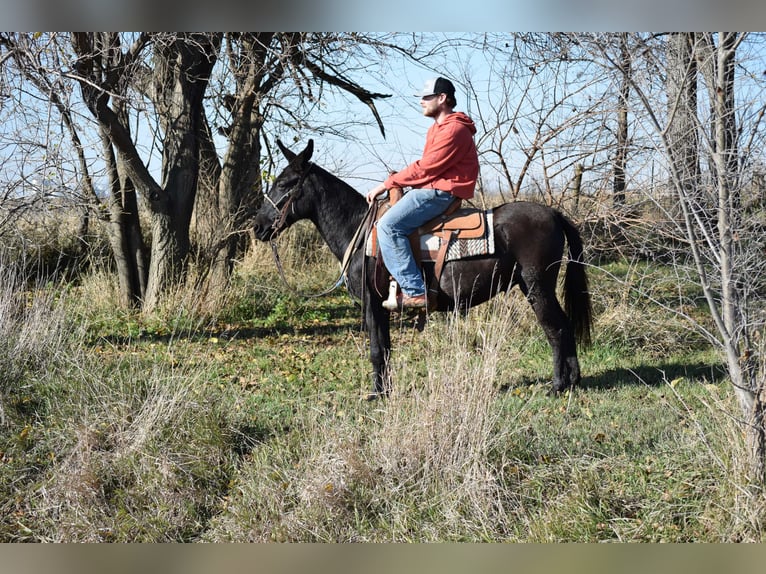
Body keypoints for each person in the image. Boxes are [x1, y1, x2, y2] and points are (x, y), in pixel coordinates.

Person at [366, 76, 479, 310]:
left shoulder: (455, 129)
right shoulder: (436, 130)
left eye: (427, 97)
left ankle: (415, 291)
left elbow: (426, 168)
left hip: (439, 193)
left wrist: (386, 184)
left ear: (442, 98)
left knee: (388, 226)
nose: (421, 101)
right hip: (430, 189)